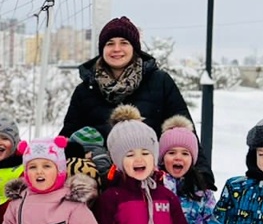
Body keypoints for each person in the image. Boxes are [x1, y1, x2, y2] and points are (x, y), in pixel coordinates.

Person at [60, 16, 199, 154]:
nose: (116, 49)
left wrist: (202, 175)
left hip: (149, 172)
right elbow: (67, 140)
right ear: (102, 49)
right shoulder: (85, 90)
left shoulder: (160, 82)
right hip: (99, 173)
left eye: (124, 43)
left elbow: (186, 138)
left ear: (134, 48)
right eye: (110, 43)